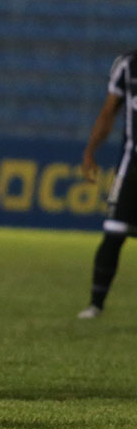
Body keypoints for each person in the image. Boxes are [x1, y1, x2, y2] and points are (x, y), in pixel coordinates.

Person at [77, 50, 137, 319]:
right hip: (132, 165)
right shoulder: (128, 64)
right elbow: (109, 110)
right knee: (114, 233)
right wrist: (91, 151)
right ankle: (96, 304)